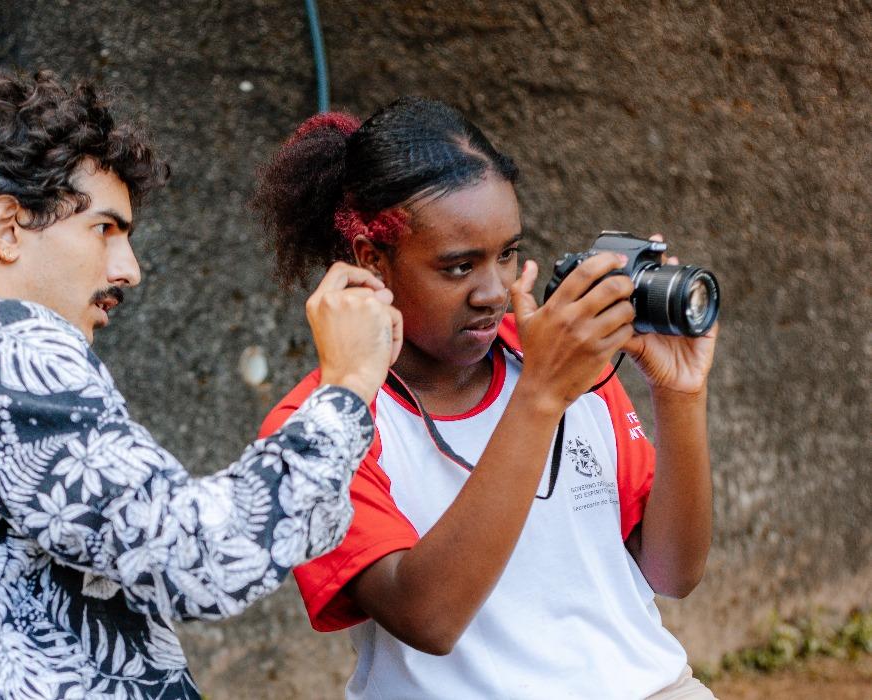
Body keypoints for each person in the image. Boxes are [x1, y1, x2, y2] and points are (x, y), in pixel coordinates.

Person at [0, 69, 402, 699]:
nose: (128, 270)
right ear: (5, 227)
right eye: (104, 229)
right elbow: (201, 558)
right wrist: (347, 388)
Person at [255, 99, 719, 699]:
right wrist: (542, 395)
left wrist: (679, 397)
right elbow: (427, 618)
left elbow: (673, 574)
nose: (495, 290)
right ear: (374, 260)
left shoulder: (560, 361)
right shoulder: (321, 420)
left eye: (507, 254)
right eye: (457, 267)